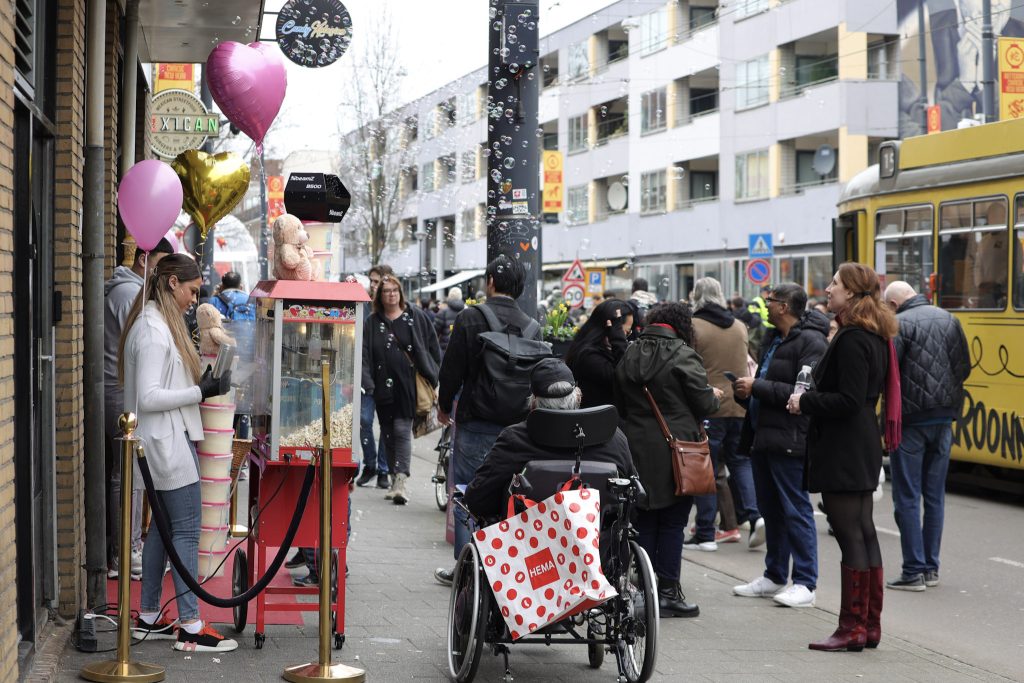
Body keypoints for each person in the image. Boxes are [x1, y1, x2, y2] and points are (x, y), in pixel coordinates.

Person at [118, 254, 236, 652]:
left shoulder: (153, 324)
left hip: (161, 442)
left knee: (163, 532)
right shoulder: (153, 330)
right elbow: (149, 397)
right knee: (185, 529)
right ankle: (190, 623)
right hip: (163, 443)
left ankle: (149, 615)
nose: (193, 298)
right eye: (191, 290)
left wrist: (198, 384)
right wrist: (199, 391)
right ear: (171, 283)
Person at [790, 263, 899, 652]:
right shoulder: (874, 333)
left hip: (844, 446)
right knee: (863, 532)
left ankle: (851, 627)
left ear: (851, 293)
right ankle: (868, 626)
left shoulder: (853, 337)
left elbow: (849, 400)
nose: (829, 288)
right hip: (861, 443)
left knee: (851, 533)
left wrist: (804, 401)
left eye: (835, 283)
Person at [433, 255, 540, 585]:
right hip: (519, 427)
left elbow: (452, 368)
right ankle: (502, 567)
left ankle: (466, 570)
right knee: (510, 492)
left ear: (490, 282)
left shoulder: (470, 317)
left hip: (477, 419)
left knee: (467, 491)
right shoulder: (533, 324)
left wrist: (443, 406)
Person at [615, 302, 723, 618]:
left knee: (645, 518)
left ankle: (644, 591)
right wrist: (714, 396)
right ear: (681, 325)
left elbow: (620, 404)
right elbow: (704, 404)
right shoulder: (682, 354)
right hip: (678, 447)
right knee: (674, 521)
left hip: (636, 446)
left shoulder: (629, 353)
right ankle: (668, 591)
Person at [731, 283, 828, 608]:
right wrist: (747, 391)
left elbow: (803, 392)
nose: (766, 306)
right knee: (771, 509)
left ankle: (805, 582)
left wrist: (757, 385)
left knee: (795, 509)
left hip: (790, 437)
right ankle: (774, 576)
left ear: (784, 306)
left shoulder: (811, 342)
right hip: (764, 435)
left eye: (770, 301)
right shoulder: (776, 338)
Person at [463, 359, 635, 518]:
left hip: (528, 542)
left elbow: (478, 499)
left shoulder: (515, 439)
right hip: (596, 543)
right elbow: (633, 493)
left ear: (533, 402)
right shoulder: (612, 436)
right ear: (578, 396)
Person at [882, 281, 970, 591]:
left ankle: (913, 571)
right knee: (935, 497)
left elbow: (889, 376)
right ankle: (931, 568)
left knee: (907, 496)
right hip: (944, 417)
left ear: (892, 305)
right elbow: (964, 366)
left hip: (910, 421)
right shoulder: (949, 318)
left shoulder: (898, 325)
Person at [103, 237, 175, 580]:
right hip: (120, 391)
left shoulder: (132, 290)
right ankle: (124, 550)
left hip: (124, 388)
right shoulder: (128, 293)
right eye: (160, 266)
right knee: (127, 474)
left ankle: (126, 545)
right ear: (145, 260)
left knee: (128, 472)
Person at [690, 277, 764, 550]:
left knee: (706, 468)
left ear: (697, 295)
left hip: (708, 406)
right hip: (739, 404)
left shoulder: (693, 326)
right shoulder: (739, 326)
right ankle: (756, 517)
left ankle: (706, 532)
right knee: (741, 463)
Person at [361, 274, 441, 505]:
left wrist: (434, 371)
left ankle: (401, 480)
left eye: (395, 290)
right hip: (382, 386)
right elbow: (365, 354)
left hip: (407, 384)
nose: (391, 294)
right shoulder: (372, 322)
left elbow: (432, 344)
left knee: (401, 429)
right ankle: (396, 474)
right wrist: (368, 383)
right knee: (387, 433)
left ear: (401, 293)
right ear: (380, 296)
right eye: (386, 291)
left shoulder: (414, 316)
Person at [355, 264, 394, 489]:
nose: (373, 285)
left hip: (388, 378)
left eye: (377, 281)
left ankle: (383, 469)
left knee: (387, 427)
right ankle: (370, 464)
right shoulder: (366, 306)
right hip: (367, 377)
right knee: (365, 421)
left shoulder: (394, 311)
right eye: (371, 280)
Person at [564, 299, 632, 410]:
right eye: (626, 331)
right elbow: (622, 377)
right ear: (611, 327)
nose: (626, 337)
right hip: (595, 422)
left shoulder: (605, 348)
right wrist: (618, 338)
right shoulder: (589, 355)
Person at [434, 286, 465, 355]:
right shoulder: (467, 312)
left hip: (445, 350)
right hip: (463, 350)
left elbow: (434, 333)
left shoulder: (443, 312)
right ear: (461, 297)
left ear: (449, 297)